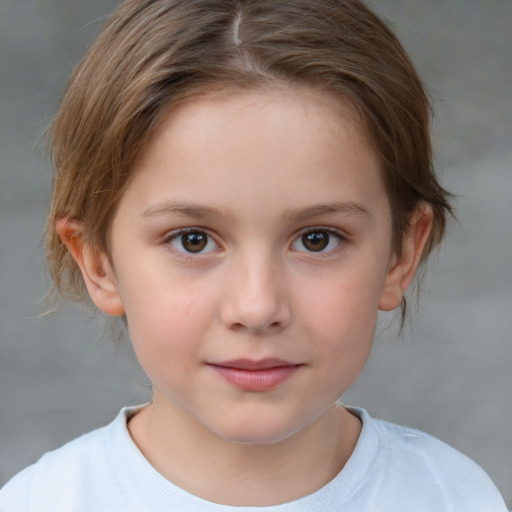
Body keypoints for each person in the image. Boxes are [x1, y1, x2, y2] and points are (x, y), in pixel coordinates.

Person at [0, 0, 507, 510]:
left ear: (401, 253)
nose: (257, 307)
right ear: (97, 261)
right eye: (192, 240)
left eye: (317, 239)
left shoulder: (454, 497)